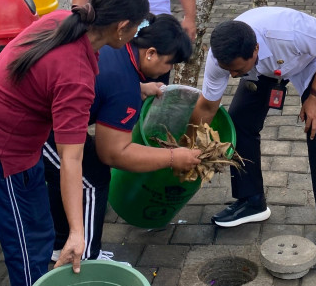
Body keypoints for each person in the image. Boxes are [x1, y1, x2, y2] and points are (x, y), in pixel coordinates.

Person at [0, 0, 150, 286]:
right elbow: (71, 159)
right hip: (0, 149)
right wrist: (77, 231)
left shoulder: (61, 20)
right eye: (137, 28)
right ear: (122, 27)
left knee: (41, 230)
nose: (136, 35)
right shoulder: (76, 75)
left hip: (22, 139)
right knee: (26, 246)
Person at [43, 14, 201, 262]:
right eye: (169, 64)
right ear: (150, 53)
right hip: (36, 125)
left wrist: (140, 88)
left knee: (63, 173)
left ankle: (59, 244)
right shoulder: (123, 82)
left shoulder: (120, 47)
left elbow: (104, 82)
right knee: (92, 178)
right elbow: (113, 154)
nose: (168, 71)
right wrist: (173, 157)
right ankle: (86, 257)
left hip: (52, 111)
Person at [190, 7, 316, 253]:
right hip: (263, 71)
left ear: (255, 50)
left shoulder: (292, 32)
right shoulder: (222, 59)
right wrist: (188, 146)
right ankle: (252, 201)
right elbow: (207, 107)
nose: (232, 76)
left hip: (311, 62)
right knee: (239, 122)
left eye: (237, 70)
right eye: (228, 70)